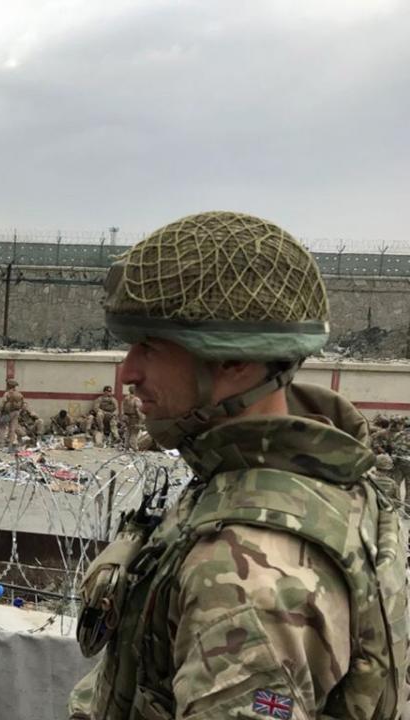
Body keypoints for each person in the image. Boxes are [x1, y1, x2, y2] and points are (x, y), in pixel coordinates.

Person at [69, 211, 409, 719]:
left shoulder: (245, 572)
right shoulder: (314, 475)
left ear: (235, 362)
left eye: (151, 346)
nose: (128, 372)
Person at [0, 379, 25, 448]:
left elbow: (3, 403)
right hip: (16, 412)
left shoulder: (7, 393)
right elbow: (22, 404)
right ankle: (10, 444)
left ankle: (1, 443)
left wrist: (0, 411)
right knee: (12, 428)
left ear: (9, 385)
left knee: (2, 427)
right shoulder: (19, 394)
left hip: (7, 412)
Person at [120, 385, 145, 450]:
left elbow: (122, 408)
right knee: (134, 433)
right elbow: (138, 410)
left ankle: (126, 447)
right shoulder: (136, 399)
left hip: (126, 417)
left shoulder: (126, 398)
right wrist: (142, 419)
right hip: (134, 418)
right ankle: (134, 448)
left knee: (128, 432)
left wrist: (123, 417)